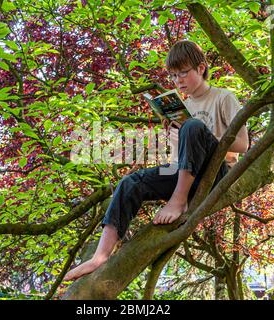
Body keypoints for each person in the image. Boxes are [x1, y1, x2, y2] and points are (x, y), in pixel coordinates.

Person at [64, 40, 249, 281]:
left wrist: (196, 132)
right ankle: (100, 255)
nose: (178, 80)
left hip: (218, 173)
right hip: (187, 172)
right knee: (131, 182)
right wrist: (175, 135)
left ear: (201, 68)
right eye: (173, 76)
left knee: (193, 126)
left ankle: (178, 201)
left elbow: (243, 145)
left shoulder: (223, 98)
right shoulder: (184, 105)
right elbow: (182, 156)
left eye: (183, 73)